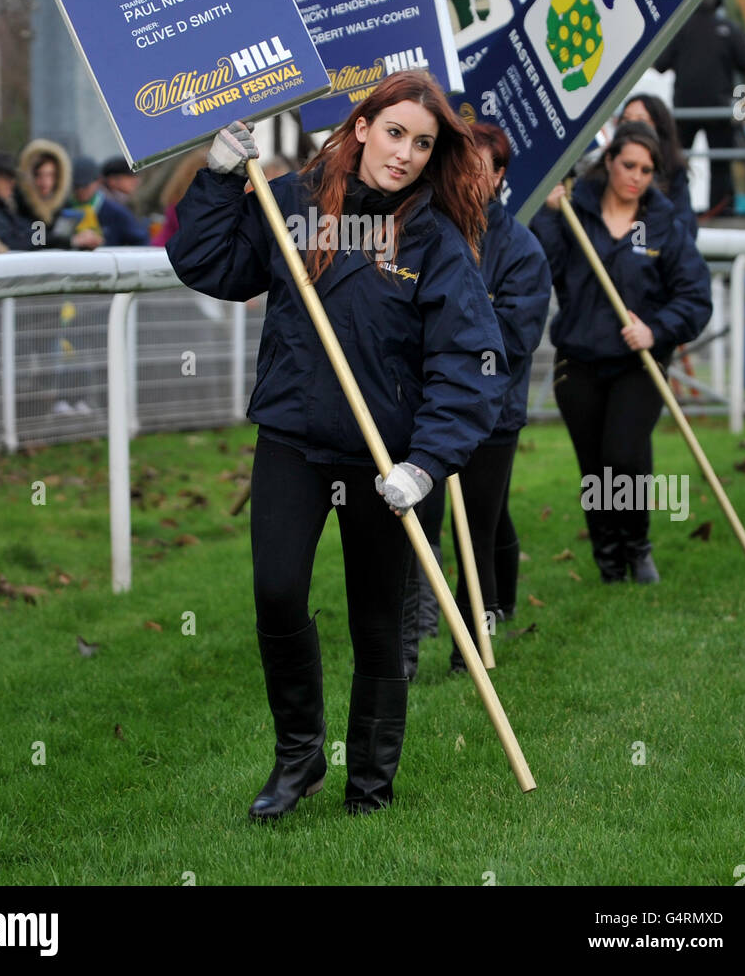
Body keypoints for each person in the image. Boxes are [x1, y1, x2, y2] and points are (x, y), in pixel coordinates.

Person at [166, 72, 509, 820]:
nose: (407, 153)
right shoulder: (290, 200)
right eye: (395, 133)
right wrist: (219, 180)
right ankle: (300, 758)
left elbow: (470, 364)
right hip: (293, 435)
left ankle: (371, 787)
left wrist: (426, 464)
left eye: (423, 143)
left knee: (379, 622)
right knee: (277, 591)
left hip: (384, 462)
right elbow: (209, 264)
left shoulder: (436, 238)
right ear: (361, 128)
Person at [532, 122, 712, 585]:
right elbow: (543, 271)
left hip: (639, 363)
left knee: (623, 457)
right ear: (609, 160)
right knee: (594, 467)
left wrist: (657, 330)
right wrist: (550, 214)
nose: (636, 176)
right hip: (579, 359)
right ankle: (608, 556)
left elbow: (694, 297)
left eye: (647, 170)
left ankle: (637, 545)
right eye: (628, 165)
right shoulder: (573, 211)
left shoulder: (663, 224)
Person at [446, 124, 552, 670]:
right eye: (459, 166)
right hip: (426, 408)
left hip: (491, 415)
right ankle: (410, 641)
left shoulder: (523, 251)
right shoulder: (428, 229)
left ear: (501, 177)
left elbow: (511, 341)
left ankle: (471, 648)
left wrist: (450, 338)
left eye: (480, 169)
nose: (468, 179)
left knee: (476, 530)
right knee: (449, 522)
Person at [656, 0, 745, 216]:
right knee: (718, 164)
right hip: (717, 107)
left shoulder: (681, 27)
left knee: (678, 162)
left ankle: (674, 211)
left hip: (685, 109)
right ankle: (718, 211)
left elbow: (660, 62)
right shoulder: (726, 25)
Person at [618, 94, 697, 237]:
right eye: (626, 120)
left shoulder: (674, 173)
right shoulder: (599, 177)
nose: (636, 177)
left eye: (646, 170)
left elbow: (685, 227)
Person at [70, 157, 149, 247]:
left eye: (85, 186)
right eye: (76, 186)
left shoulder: (116, 212)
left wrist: (104, 245)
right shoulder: (64, 207)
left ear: (98, 181)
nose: (80, 190)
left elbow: (141, 241)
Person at [14, 139, 75, 248]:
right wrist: (71, 241)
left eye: (50, 175)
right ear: (29, 176)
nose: (45, 182)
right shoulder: (18, 204)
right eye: (39, 175)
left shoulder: (64, 205)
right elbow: (32, 239)